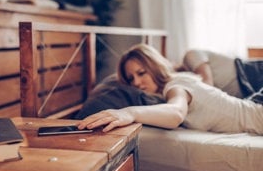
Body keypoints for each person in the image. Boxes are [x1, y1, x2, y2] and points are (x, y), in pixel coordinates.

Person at [77, 44, 263, 135]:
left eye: (142, 73)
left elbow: (175, 113)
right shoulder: (180, 82)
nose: (137, 83)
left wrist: (129, 112)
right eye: (130, 78)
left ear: (155, 67)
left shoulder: (175, 86)